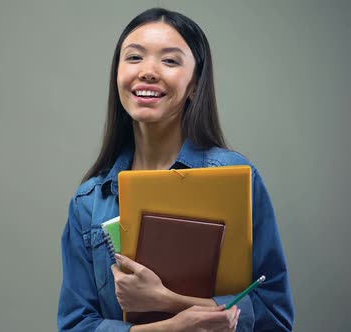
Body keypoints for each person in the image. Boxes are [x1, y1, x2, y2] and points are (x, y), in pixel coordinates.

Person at [57, 7, 294, 332]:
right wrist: (171, 328)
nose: (148, 71)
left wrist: (165, 299)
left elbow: (275, 316)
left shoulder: (237, 177)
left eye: (169, 61)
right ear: (117, 75)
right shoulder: (89, 201)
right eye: (134, 57)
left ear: (195, 84)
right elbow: (76, 326)